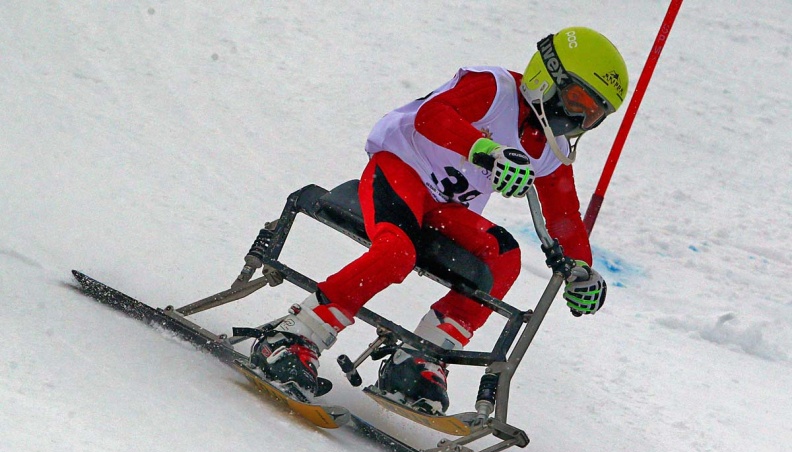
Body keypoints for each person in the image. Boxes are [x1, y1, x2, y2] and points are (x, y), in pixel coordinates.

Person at [251, 27, 628, 414]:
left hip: (444, 208)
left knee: (503, 257)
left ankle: (419, 357)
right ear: (547, 77)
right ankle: (294, 334)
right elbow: (432, 117)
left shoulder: (551, 149)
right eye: (575, 99)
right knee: (397, 253)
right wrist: (486, 150)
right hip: (399, 170)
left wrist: (580, 268)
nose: (577, 118)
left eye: (593, 113)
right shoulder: (495, 89)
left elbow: (563, 215)